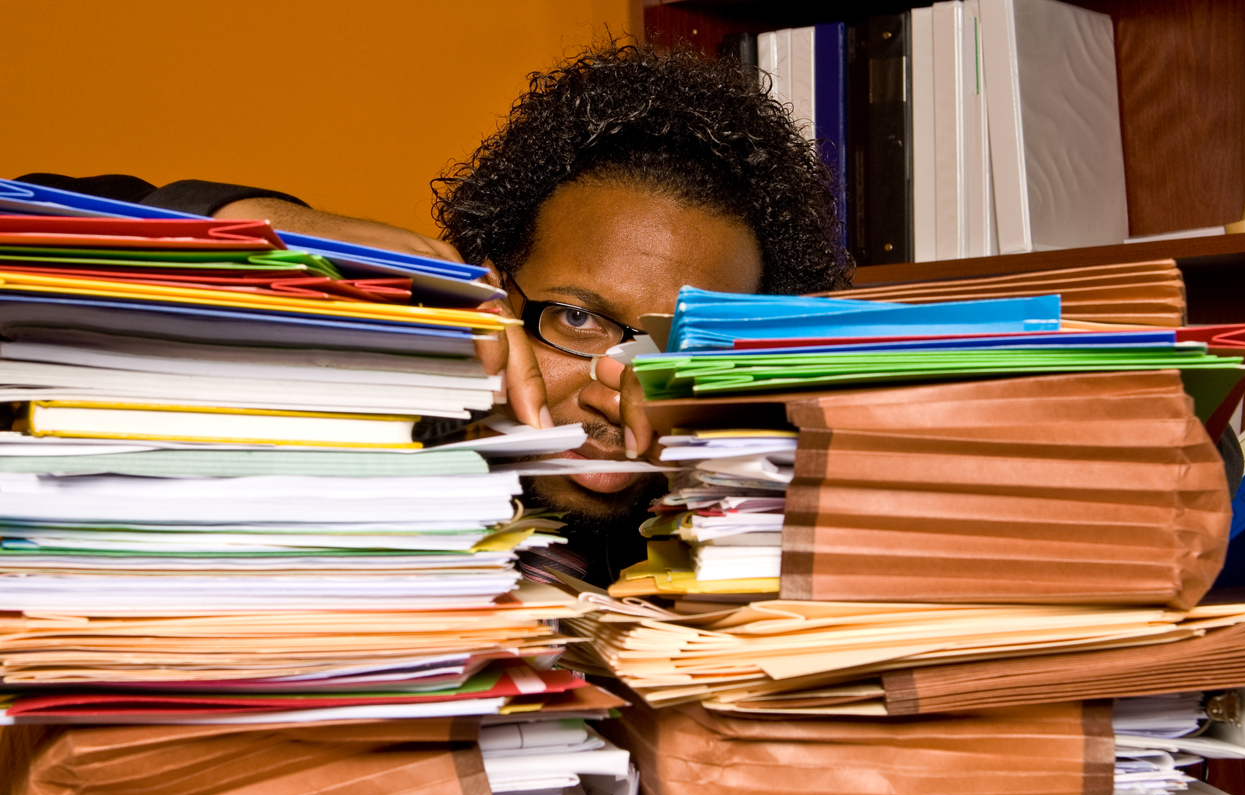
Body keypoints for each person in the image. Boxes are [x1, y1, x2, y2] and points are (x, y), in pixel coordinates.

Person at [18, 41, 852, 586]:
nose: (614, 392)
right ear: (486, 291)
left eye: (679, 346)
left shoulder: (767, 543)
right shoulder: (332, 449)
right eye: (577, 320)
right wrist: (254, 221)